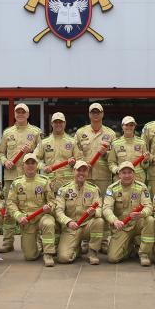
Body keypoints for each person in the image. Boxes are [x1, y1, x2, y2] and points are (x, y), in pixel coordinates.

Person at [0, 103, 43, 253]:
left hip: (30, 177)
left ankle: (35, 241)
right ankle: (8, 241)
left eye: (23, 112)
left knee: (33, 207)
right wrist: (5, 162)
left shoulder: (36, 132)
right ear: (15, 114)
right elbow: (0, 153)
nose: (20, 114)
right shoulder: (7, 132)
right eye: (18, 112)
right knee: (9, 210)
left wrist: (32, 152)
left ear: (28, 115)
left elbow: (42, 153)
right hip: (11, 177)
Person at [74, 102, 116, 253]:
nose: (95, 114)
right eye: (93, 112)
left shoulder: (110, 134)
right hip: (84, 177)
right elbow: (76, 153)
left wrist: (105, 153)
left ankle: (104, 240)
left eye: (98, 112)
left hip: (103, 176)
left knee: (103, 207)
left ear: (102, 114)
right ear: (89, 114)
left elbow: (114, 156)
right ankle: (86, 240)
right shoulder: (80, 133)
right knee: (86, 206)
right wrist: (83, 164)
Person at [6, 153, 57, 266]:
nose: (30, 166)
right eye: (27, 163)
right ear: (23, 165)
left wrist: (49, 207)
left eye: (33, 163)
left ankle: (48, 254)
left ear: (37, 165)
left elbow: (52, 201)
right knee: (30, 256)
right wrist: (19, 216)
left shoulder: (45, 181)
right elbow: (10, 203)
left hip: (42, 216)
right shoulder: (17, 183)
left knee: (49, 223)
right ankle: (38, 245)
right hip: (27, 220)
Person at [103, 161, 155, 266]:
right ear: (119, 175)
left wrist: (142, 214)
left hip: (137, 223)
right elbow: (106, 208)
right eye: (124, 172)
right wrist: (114, 220)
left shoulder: (142, 187)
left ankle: (144, 254)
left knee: (150, 220)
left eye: (129, 172)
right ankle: (130, 247)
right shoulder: (112, 188)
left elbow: (149, 206)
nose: (127, 175)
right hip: (122, 226)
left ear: (134, 174)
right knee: (113, 258)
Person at [55, 160, 104, 265]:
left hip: (87, 226)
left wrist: (94, 212)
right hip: (71, 228)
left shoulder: (94, 189)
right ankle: (76, 248)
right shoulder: (64, 190)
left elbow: (100, 208)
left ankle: (92, 252)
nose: (81, 173)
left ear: (88, 172)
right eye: (79, 170)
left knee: (99, 221)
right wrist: (68, 222)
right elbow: (58, 211)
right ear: (73, 171)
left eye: (84, 170)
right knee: (63, 258)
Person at [34, 112, 78, 196]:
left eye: (60, 122)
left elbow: (80, 160)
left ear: (65, 123)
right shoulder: (44, 142)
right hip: (49, 185)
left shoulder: (72, 142)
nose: (58, 124)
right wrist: (43, 167)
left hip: (68, 186)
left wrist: (74, 163)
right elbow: (35, 159)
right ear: (51, 124)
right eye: (56, 122)